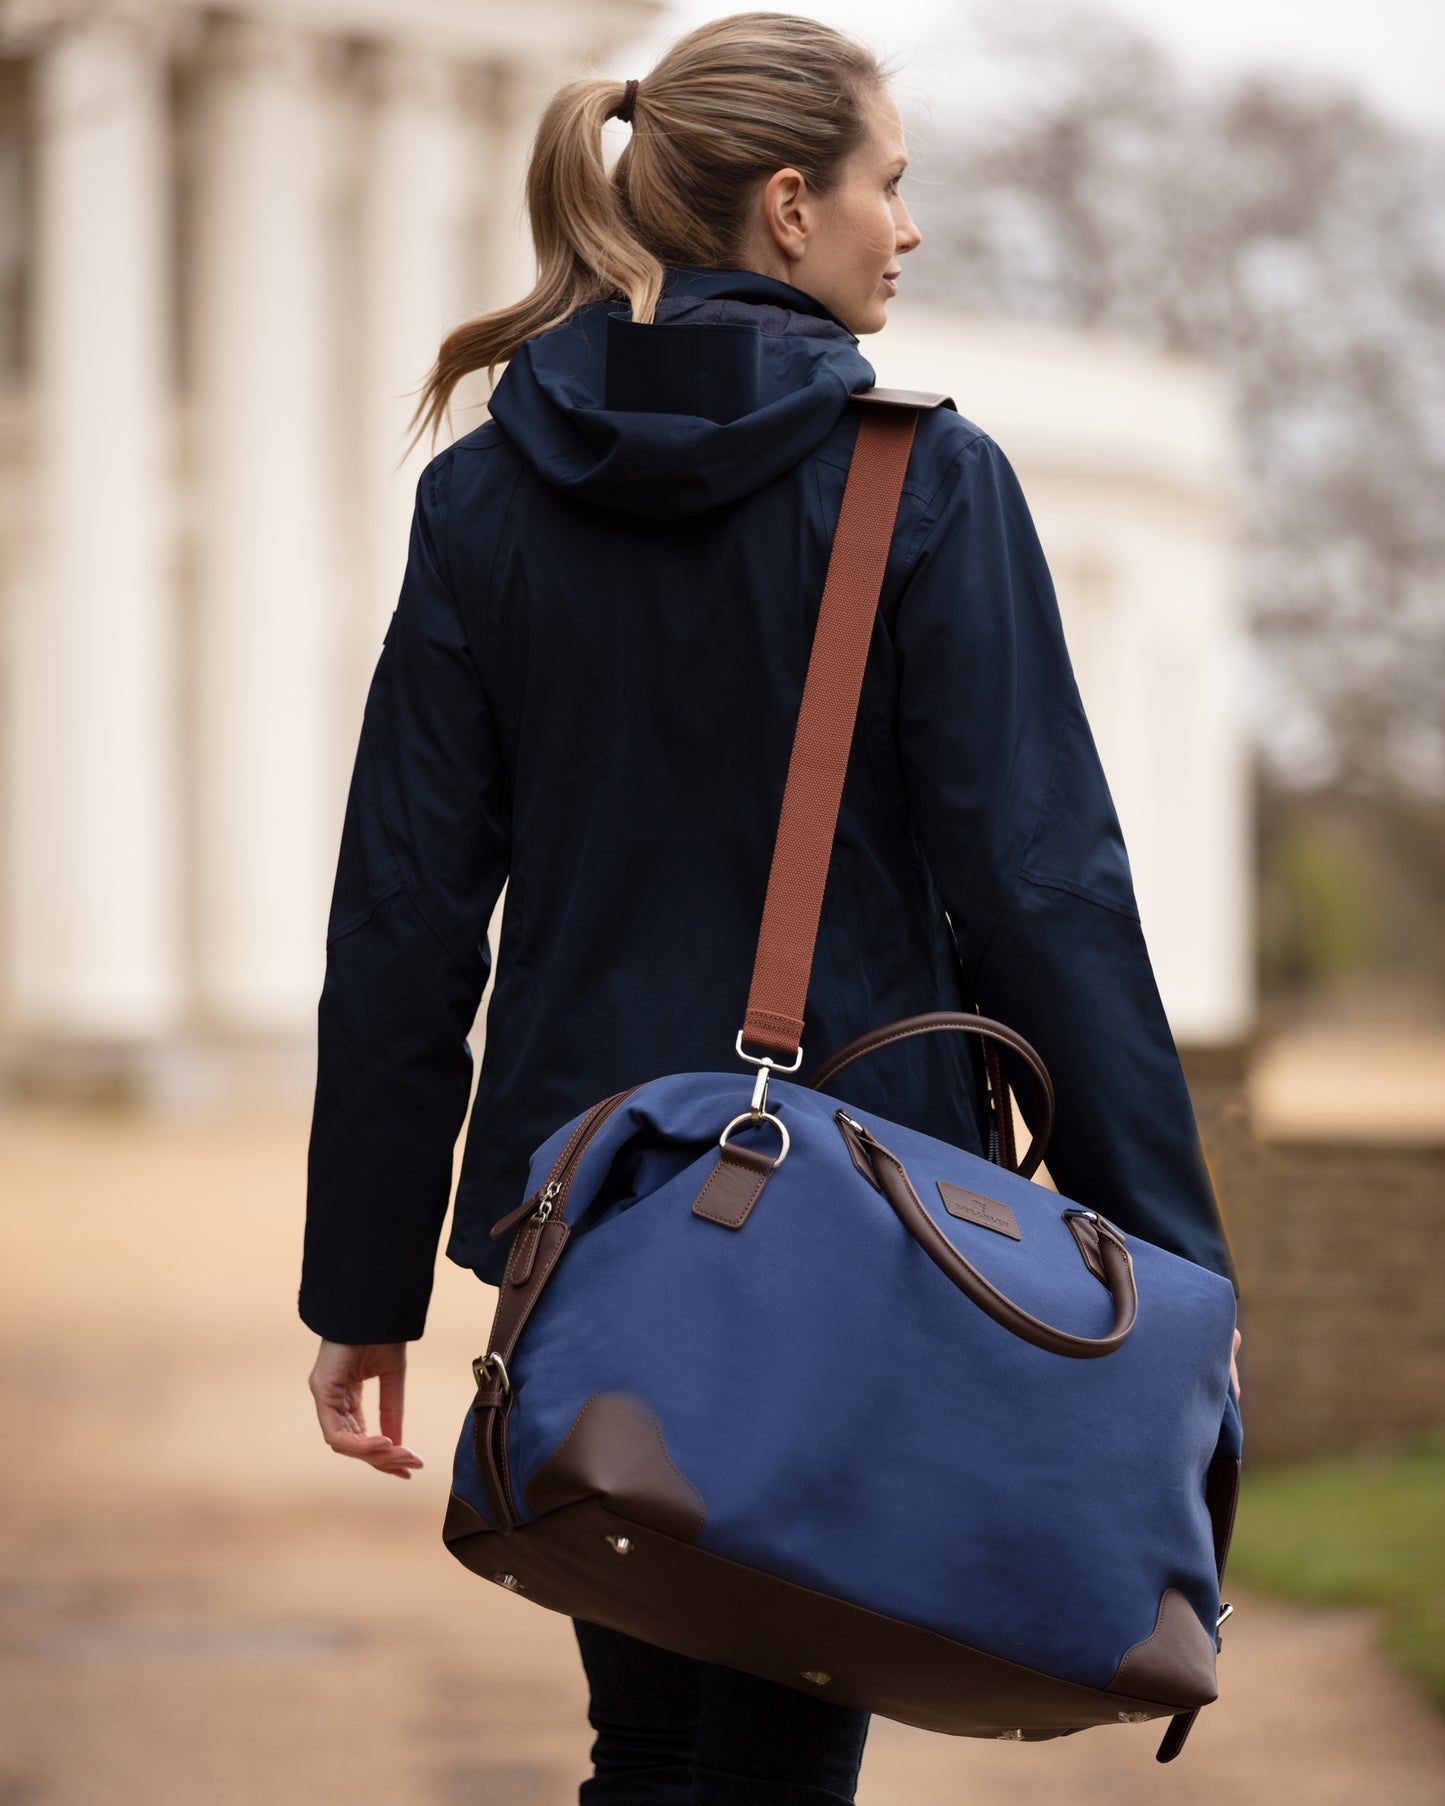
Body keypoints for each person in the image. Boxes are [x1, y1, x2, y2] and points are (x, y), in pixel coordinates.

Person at [300, 11, 1243, 1803]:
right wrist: (1170, 1258)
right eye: (893, 185)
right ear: (790, 206)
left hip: (586, 1220)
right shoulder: (925, 479)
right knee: (794, 1728)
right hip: (859, 1219)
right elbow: (1046, 890)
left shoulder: (481, 501)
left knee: (643, 1743)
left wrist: (362, 1281)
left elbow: (405, 913)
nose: (911, 226)